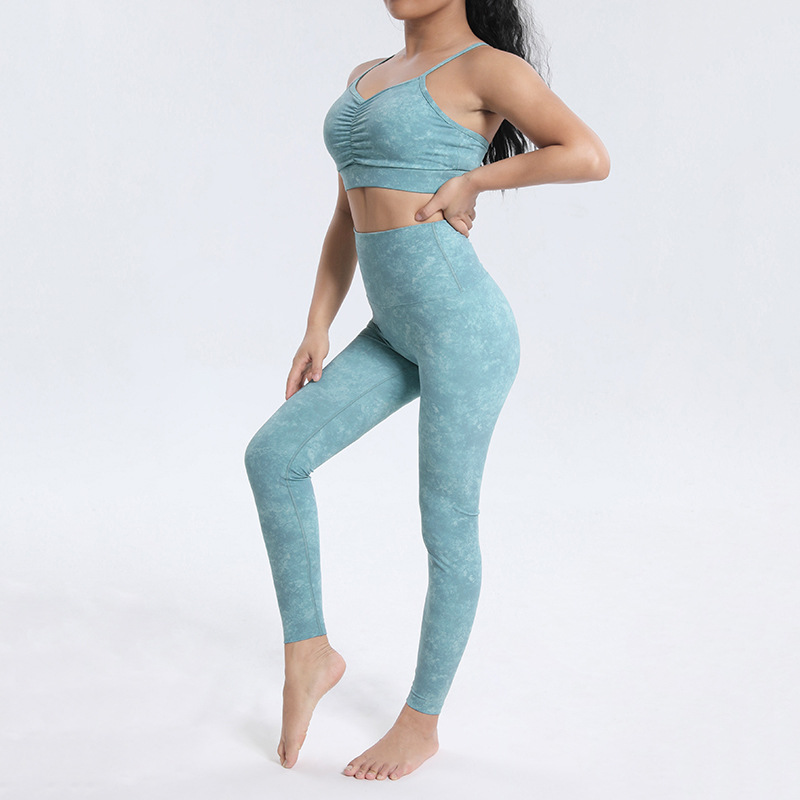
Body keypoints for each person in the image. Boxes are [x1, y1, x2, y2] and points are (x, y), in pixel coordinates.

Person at [244, 0, 610, 782]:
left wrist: (475, 178)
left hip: (465, 331)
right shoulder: (367, 76)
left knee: (446, 524)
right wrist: (317, 325)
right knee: (273, 457)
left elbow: (587, 154)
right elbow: (347, 210)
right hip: (392, 330)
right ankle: (309, 652)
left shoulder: (486, 68)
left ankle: (421, 722)